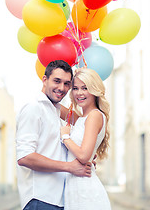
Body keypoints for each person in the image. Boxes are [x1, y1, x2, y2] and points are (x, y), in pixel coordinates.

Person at [16, 60, 92, 210]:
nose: (61, 88)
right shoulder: (34, 108)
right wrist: (70, 167)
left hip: (59, 199)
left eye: (67, 84)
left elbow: (85, 122)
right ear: (45, 80)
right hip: (40, 199)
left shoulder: (55, 110)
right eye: (57, 81)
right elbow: (24, 157)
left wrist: (83, 78)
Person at [60, 68, 112, 210]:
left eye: (85, 88)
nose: (79, 93)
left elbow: (83, 156)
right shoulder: (82, 118)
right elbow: (56, 106)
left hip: (86, 192)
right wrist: (70, 74)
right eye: (75, 88)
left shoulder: (94, 116)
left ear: (94, 90)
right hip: (76, 189)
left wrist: (65, 137)